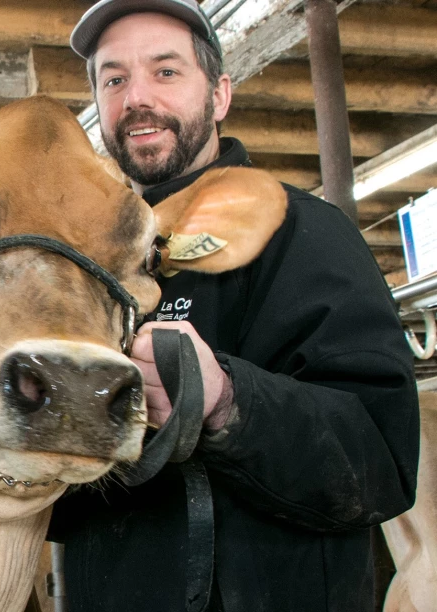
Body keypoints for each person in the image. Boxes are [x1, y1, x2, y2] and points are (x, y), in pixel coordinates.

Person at [47, 1, 420, 610]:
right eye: (113, 79)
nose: (136, 96)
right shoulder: (80, 269)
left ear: (219, 95)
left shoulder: (308, 235)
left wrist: (223, 399)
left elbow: (381, 462)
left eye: (166, 72)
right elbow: (56, 503)